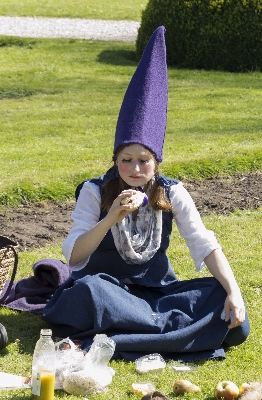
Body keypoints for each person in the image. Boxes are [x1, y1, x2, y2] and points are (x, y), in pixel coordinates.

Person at [42, 26, 250, 361]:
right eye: (126, 160)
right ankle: (173, 336)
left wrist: (234, 291)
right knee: (84, 294)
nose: (135, 170)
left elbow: (203, 242)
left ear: (156, 162)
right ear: (115, 159)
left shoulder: (172, 192)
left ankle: (117, 339)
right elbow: (76, 257)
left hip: (157, 293)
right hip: (108, 293)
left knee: (230, 312)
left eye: (144, 161)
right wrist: (112, 217)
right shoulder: (95, 190)